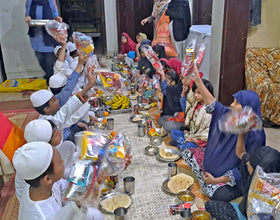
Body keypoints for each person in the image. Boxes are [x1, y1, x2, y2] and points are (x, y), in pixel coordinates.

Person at [182, 66, 266, 201]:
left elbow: (246, 168)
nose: (232, 105)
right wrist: (196, 78)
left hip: (226, 176)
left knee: (219, 195)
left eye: (236, 103)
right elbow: (212, 103)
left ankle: (209, 183)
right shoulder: (232, 117)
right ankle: (207, 180)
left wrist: (216, 180)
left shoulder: (256, 135)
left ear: (247, 108)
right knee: (186, 152)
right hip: (213, 166)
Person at [13, 141, 104, 220]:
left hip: (60, 211)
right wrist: (80, 201)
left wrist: (90, 177)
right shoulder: (41, 216)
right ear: (47, 179)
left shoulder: (39, 187)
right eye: (60, 162)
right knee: (93, 214)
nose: (63, 162)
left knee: (93, 214)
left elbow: (65, 187)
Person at [205, 138, 280, 220]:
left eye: (250, 165)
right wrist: (241, 133)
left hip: (246, 216)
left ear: (260, 173)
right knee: (211, 203)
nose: (247, 164)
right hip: (242, 208)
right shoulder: (254, 169)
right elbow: (241, 153)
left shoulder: (274, 196)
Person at [30, 63, 96, 139]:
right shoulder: (49, 123)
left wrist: (80, 62)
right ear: (46, 109)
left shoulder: (51, 106)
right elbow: (68, 109)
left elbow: (69, 87)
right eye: (54, 101)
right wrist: (89, 86)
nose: (58, 100)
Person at [171, 79, 213, 169]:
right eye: (195, 92)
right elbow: (186, 111)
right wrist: (183, 94)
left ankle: (182, 145)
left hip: (200, 142)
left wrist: (195, 140)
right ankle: (182, 144)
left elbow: (208, 134)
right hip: (191, 134)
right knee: (173, 133)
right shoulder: (196, 104)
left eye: (199, 93)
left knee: (187, 146)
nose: (196, 95)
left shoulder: (209, 110)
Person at [25, 0, 62, 85]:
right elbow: (27, 14)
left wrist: (57, 18)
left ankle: (50, 85)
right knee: (40, 60)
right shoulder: (30, 1)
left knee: (49, 63)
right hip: (36, 36)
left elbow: (55, 15)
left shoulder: (50, 1)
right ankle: (50, 78)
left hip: (48, 37)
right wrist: (28, 18)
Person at [156, 67, 183, 133]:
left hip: (178, 117)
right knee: (159, 118)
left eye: (166, 80)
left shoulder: (176, 89)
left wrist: (162, 75)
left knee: (168, 125)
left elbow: (164, 88)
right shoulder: (173, 88)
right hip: (171, 115)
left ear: (173, 82)